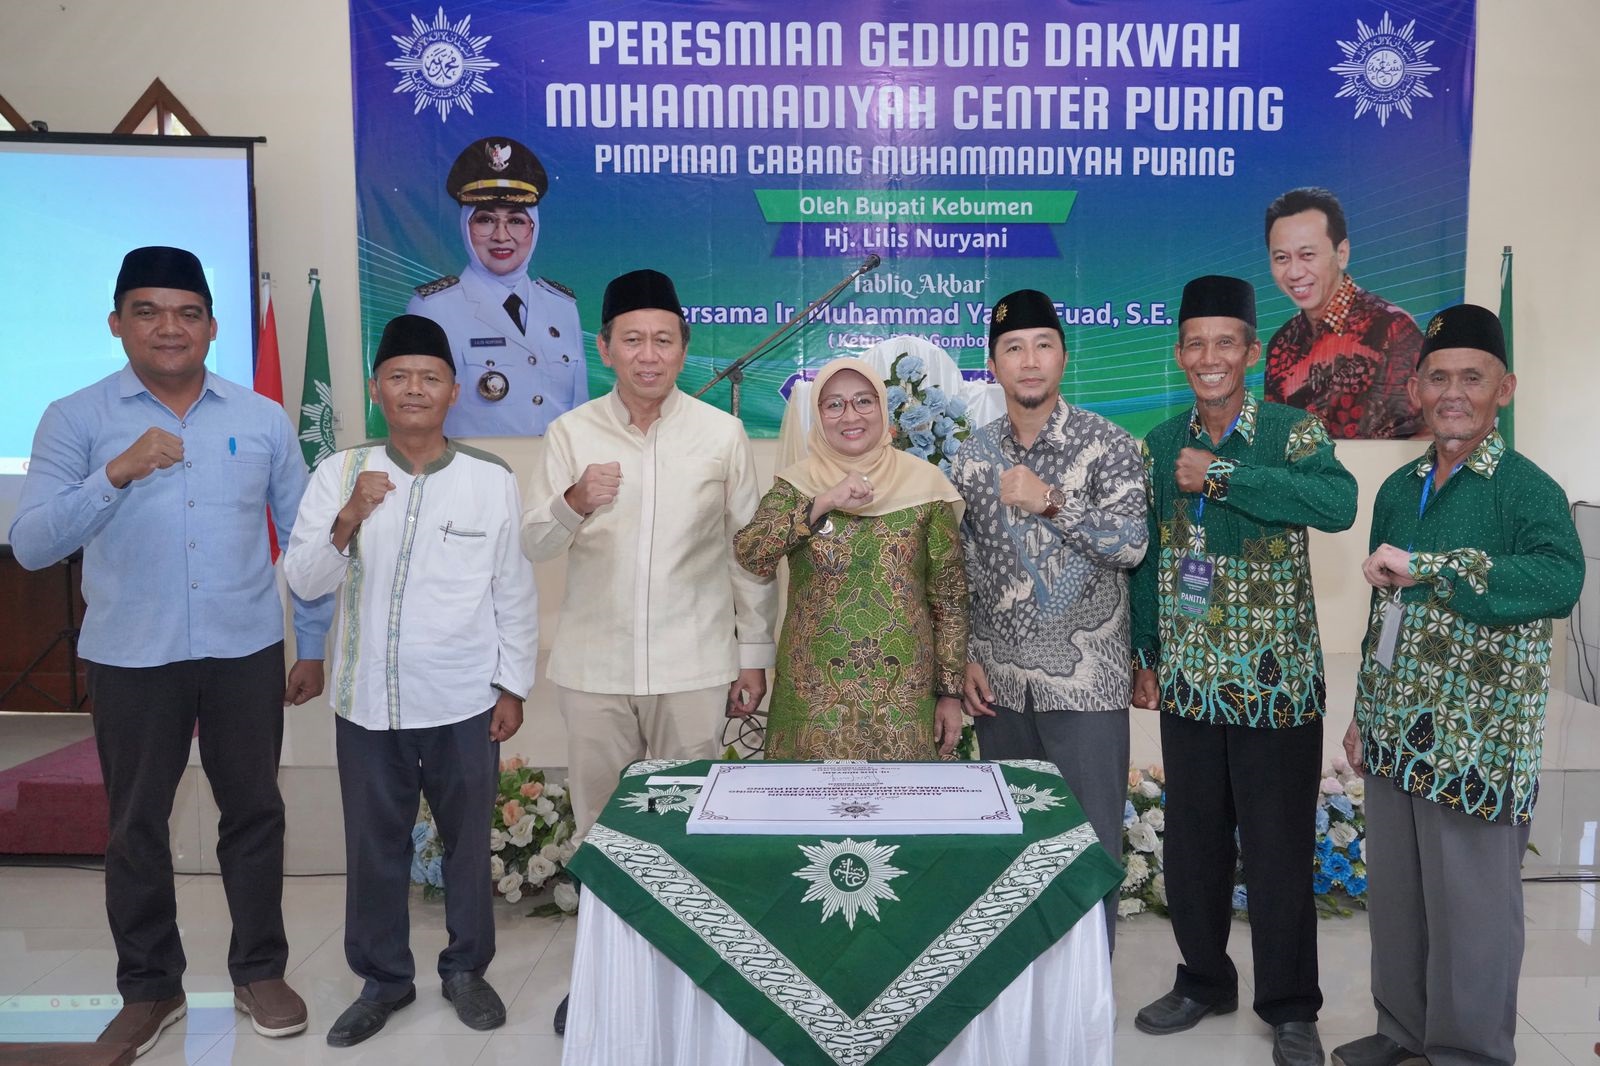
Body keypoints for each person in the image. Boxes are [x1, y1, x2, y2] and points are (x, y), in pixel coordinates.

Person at [8, 246, 330, 1057]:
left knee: (254, 813)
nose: (169, 327)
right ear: (117, 324)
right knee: (135, 827)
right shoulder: (75, 418)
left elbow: (306, 542)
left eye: (188, 313)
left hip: (244, 649)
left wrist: (312, 643)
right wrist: (114, 474)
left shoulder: (260, 417)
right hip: (130, 654)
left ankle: (260, 970)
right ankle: (150, 987)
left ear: (213, 327)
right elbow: (33, 545)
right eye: (147, 311)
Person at [521, 268, 777, 1035]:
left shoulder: (719, 434)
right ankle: (603, 983)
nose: (648, 354)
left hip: (693, 667)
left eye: (663, 340)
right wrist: (574, 502)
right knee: (599, 831)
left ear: (683, 349)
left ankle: (689, 983)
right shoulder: (571, 434)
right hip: (594, 670)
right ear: (605, 349)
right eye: (632, 339)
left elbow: (748, 554)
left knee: (690, 827)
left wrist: (754, 653)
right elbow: (534, 543)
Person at [1333, 305, 1582, 1066]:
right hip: (1397, 730)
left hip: (1478, 742)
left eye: (1472, 378)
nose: (1453, 393)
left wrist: (1437, 569)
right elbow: (1384, 608)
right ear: (1414, 388)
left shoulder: (1527, 489)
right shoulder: (1399, 488)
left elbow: (1559, 580)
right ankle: (1402, 1031)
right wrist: (1363, 712)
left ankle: (1469, 1053)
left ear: (1504, 389)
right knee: (1398, 900)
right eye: (1438, 377)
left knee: (1474, 914)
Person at [282, 314, 538, 1046]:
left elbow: (513, 588)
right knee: (374, 849)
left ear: (455, 390)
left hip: (464, 699)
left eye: (430, 377)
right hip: (367, 702)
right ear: (376, 389)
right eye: (399, 377)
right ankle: (384, 980)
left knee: (467, 845)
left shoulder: (489, 479)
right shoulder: (339, 472)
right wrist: (349, 516)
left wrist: (513, 686)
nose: (415, 389)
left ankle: (466, 971)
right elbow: (304, 579)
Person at [1129, 275, 1357, 1066]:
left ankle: (1291, 1007)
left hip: (1276, 687)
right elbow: (1150, 559)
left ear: (1252, 352)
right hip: (1190, 683)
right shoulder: (1161, 442)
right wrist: (1147, 654)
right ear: (1179, 354)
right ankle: (1203, 980)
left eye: (1225, 342)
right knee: (1193, 844)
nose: (1210, 357)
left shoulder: (1291, 432)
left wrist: (1223, 477)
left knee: (1278, 849)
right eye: (1195, 343)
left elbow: (1337, 504)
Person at [948, 289, 1148, 949]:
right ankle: (1019, 987)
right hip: (1001, 689)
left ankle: (1085, 991)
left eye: (1042, 346)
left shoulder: (1109, 444)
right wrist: (965, 656)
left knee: (1088, 847)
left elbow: (1132, 545)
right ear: (993, 364)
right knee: (1014, 849)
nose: (1029, 361)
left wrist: (1052, 501)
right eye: (1013, 348)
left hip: (1084, 688)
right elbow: (963, 566)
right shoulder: (972, 455)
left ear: (1064, 356)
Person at [734, 356, 967, 760]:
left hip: (904, 699)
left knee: (900, 799)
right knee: (806, 799)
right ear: (818, 415)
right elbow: (751, 554)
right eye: (834, 404)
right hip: (812, 698)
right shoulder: (797, 485)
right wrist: (822, 503)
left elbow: (949, 597)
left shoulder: (926, 486)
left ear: (882, 407)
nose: (850, 415)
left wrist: (950, 693)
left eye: (863, 401)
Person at [407, 135, 586, 438]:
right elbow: (418, 417)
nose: (501, 236)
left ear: (534, 227)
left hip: (556, 467)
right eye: (486, 220)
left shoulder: (562, 307)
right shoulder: (432, 309)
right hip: (474, 467)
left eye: (516, 221)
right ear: (466, 226)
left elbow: (580, 416)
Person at [1263, 186, 1424, 439]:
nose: (1294, 272)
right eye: (1282, 258)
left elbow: (1417, 439)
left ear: (1342, 253)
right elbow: (1274, 438)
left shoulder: (1392, 330)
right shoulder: (1281, 344)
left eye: (1307, 255)